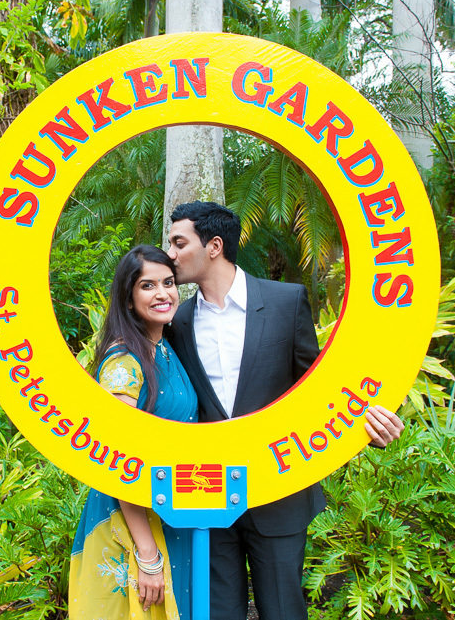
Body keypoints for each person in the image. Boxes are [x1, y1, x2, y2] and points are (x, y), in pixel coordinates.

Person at [165, 201, 404, 620]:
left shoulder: (285, 301)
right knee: (216, 613)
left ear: (214, 246)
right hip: (207, 494)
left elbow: (319, 387)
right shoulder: (178, 320)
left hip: (279, 491)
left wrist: (369, 420)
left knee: (284, 611)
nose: (170, 253)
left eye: (179, 242)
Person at [69, 245, 199, 620]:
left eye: (168, 283)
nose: (162, 293)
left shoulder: (164, 348)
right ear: (128, 298)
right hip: (132, 518)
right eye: (148, 285)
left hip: (172, 509)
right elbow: (118, 459)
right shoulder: (124, 363)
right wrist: (147, 554)